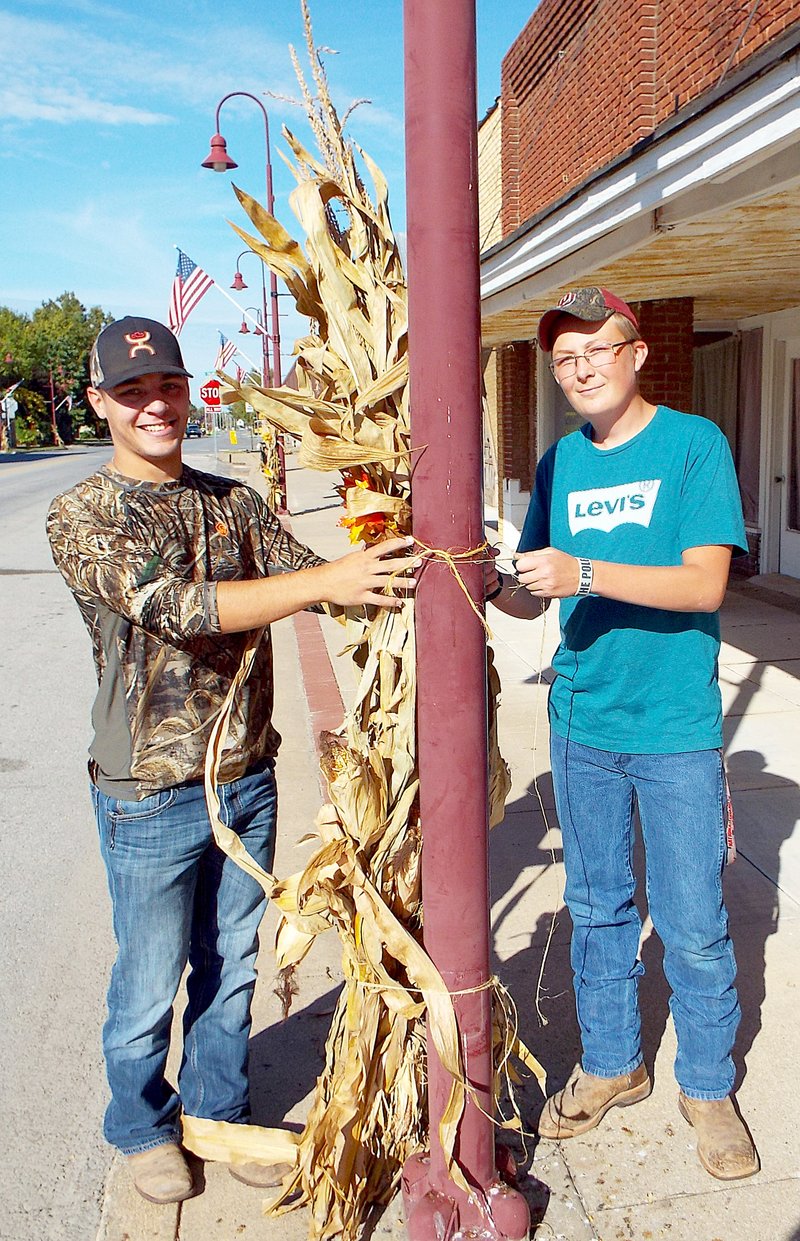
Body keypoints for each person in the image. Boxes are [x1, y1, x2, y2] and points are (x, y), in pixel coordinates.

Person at [46, 316, 416, 1205]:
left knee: (234, 961)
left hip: (246, 778)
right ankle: (141, 1127)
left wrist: (392, 541)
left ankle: (221, 1107)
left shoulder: (233, 502)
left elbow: (318, 576)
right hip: (148, 792)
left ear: (185, 390)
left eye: (166, 386)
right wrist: (321, 584)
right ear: (100, 402)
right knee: (148, 977)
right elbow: (177, 605)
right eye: (131, 392)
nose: (154, 405)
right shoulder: (81, 516)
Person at [486, 287, 759, 1181]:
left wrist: (586, 569)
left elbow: (705, 585)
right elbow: (538, 587)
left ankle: (709, 1085)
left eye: (596, 349)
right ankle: (612, 1063)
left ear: (638, 352)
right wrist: (494, 581)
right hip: (583, 721)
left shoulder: (693, 446)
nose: (580, 369)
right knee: (600, 906)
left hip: (673, 726)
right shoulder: (561, 461)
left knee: (692, 920)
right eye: (563, 360)